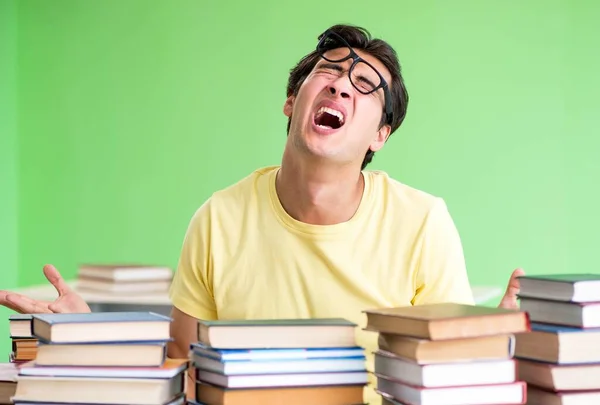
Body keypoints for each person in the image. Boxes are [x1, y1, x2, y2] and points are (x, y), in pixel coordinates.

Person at [0, 24, 524, 404]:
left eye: (366, 86)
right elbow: (182, 370)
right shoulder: (219, 218)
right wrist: (91, 339)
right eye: (330, 72)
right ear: (293, 101)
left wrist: (497, 344)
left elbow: (449, 377)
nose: (342, 85)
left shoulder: (423, 222)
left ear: (380, 136)